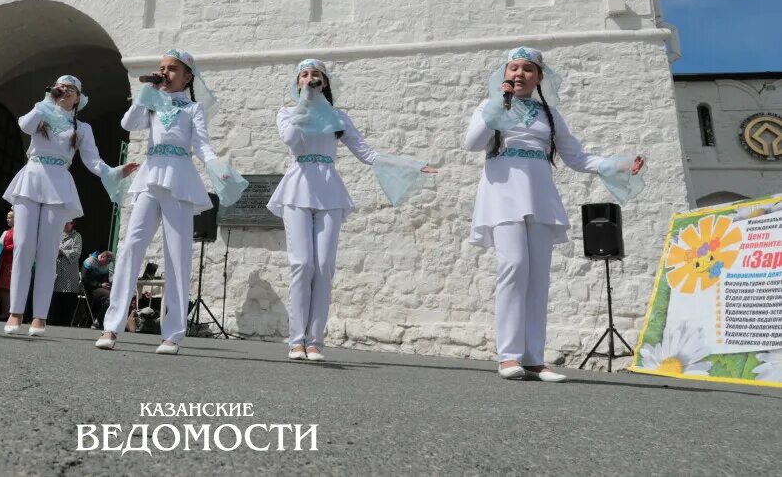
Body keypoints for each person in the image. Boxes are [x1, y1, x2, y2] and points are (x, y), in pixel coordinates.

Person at [464, 46, 645, 383]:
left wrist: (619, 165)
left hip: (540, 196)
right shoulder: (488, 107)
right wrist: (495, 106)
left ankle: (533, 358)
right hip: (503, 195)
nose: (519, 74)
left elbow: (577, 158)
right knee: (513, 267)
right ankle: (508, 356)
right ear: (505, 75)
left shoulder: (550, 115)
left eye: (527, 69)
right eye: (513, 68)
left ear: (540, 78)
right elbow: (473, 143)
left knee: (538, 276)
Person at [269, 59, 437, 362]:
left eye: (315, 75)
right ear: (297, 83)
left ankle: (314, 341)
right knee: (301, 264)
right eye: (304, 76)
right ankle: (296, 340)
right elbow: (290, 140)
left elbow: (366, 152)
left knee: (323, 266)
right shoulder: (287, 113)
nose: (310, 79)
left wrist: (409, 165)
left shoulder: (337, 116)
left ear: (326, 82)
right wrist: (304, 104)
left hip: (330, 190)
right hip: (297, 188)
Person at [96, 49, 246, 355]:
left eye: (172, 69)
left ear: (187, 76)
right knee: (130, 248)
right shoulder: (152, 102)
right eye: (162, 67)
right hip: (150, 177)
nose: (165, 72)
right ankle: (112, 325)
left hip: (179, 180)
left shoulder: (193, 110)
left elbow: (201, 145)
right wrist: (148, 89)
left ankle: (173, 332)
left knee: (177, 255)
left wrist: (218, 167)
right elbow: (128, 123)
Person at [3, 75, 139, 337]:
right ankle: (16, 311)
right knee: (22, 245)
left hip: (59, 181)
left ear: (78, 98)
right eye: (61, 87)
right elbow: (25, 125)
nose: (65, 91)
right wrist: (46, 101)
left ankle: (39, 316)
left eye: (71, 89)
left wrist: (115, 172)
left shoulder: (82, 128)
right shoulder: (41, 112)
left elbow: (93, 161)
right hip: (31, 176)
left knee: (48, 249)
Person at [48, 220, 84, 326]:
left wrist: (62, 251)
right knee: (55, 298)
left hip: (69, 274)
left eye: (67, 222)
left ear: (72, 224)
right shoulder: (57, 234)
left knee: (67, 300)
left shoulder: (76, 236)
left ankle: (65, 323)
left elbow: (77, 253)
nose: (64, 224)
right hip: (56, 271)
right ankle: (52, 321)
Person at [81, 250, 114, 326]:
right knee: (111, 297)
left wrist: (109, 285)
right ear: (102, 257)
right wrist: (100, 285)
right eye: (107, 261)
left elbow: (105, 279)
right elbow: (84, 280)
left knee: (116, 295)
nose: (107, 264)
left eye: (109, 262)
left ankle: (106, 321)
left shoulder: (106, 264)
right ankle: (99, 321)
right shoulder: (90, 261)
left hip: (100, 287)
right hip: (90, 288)